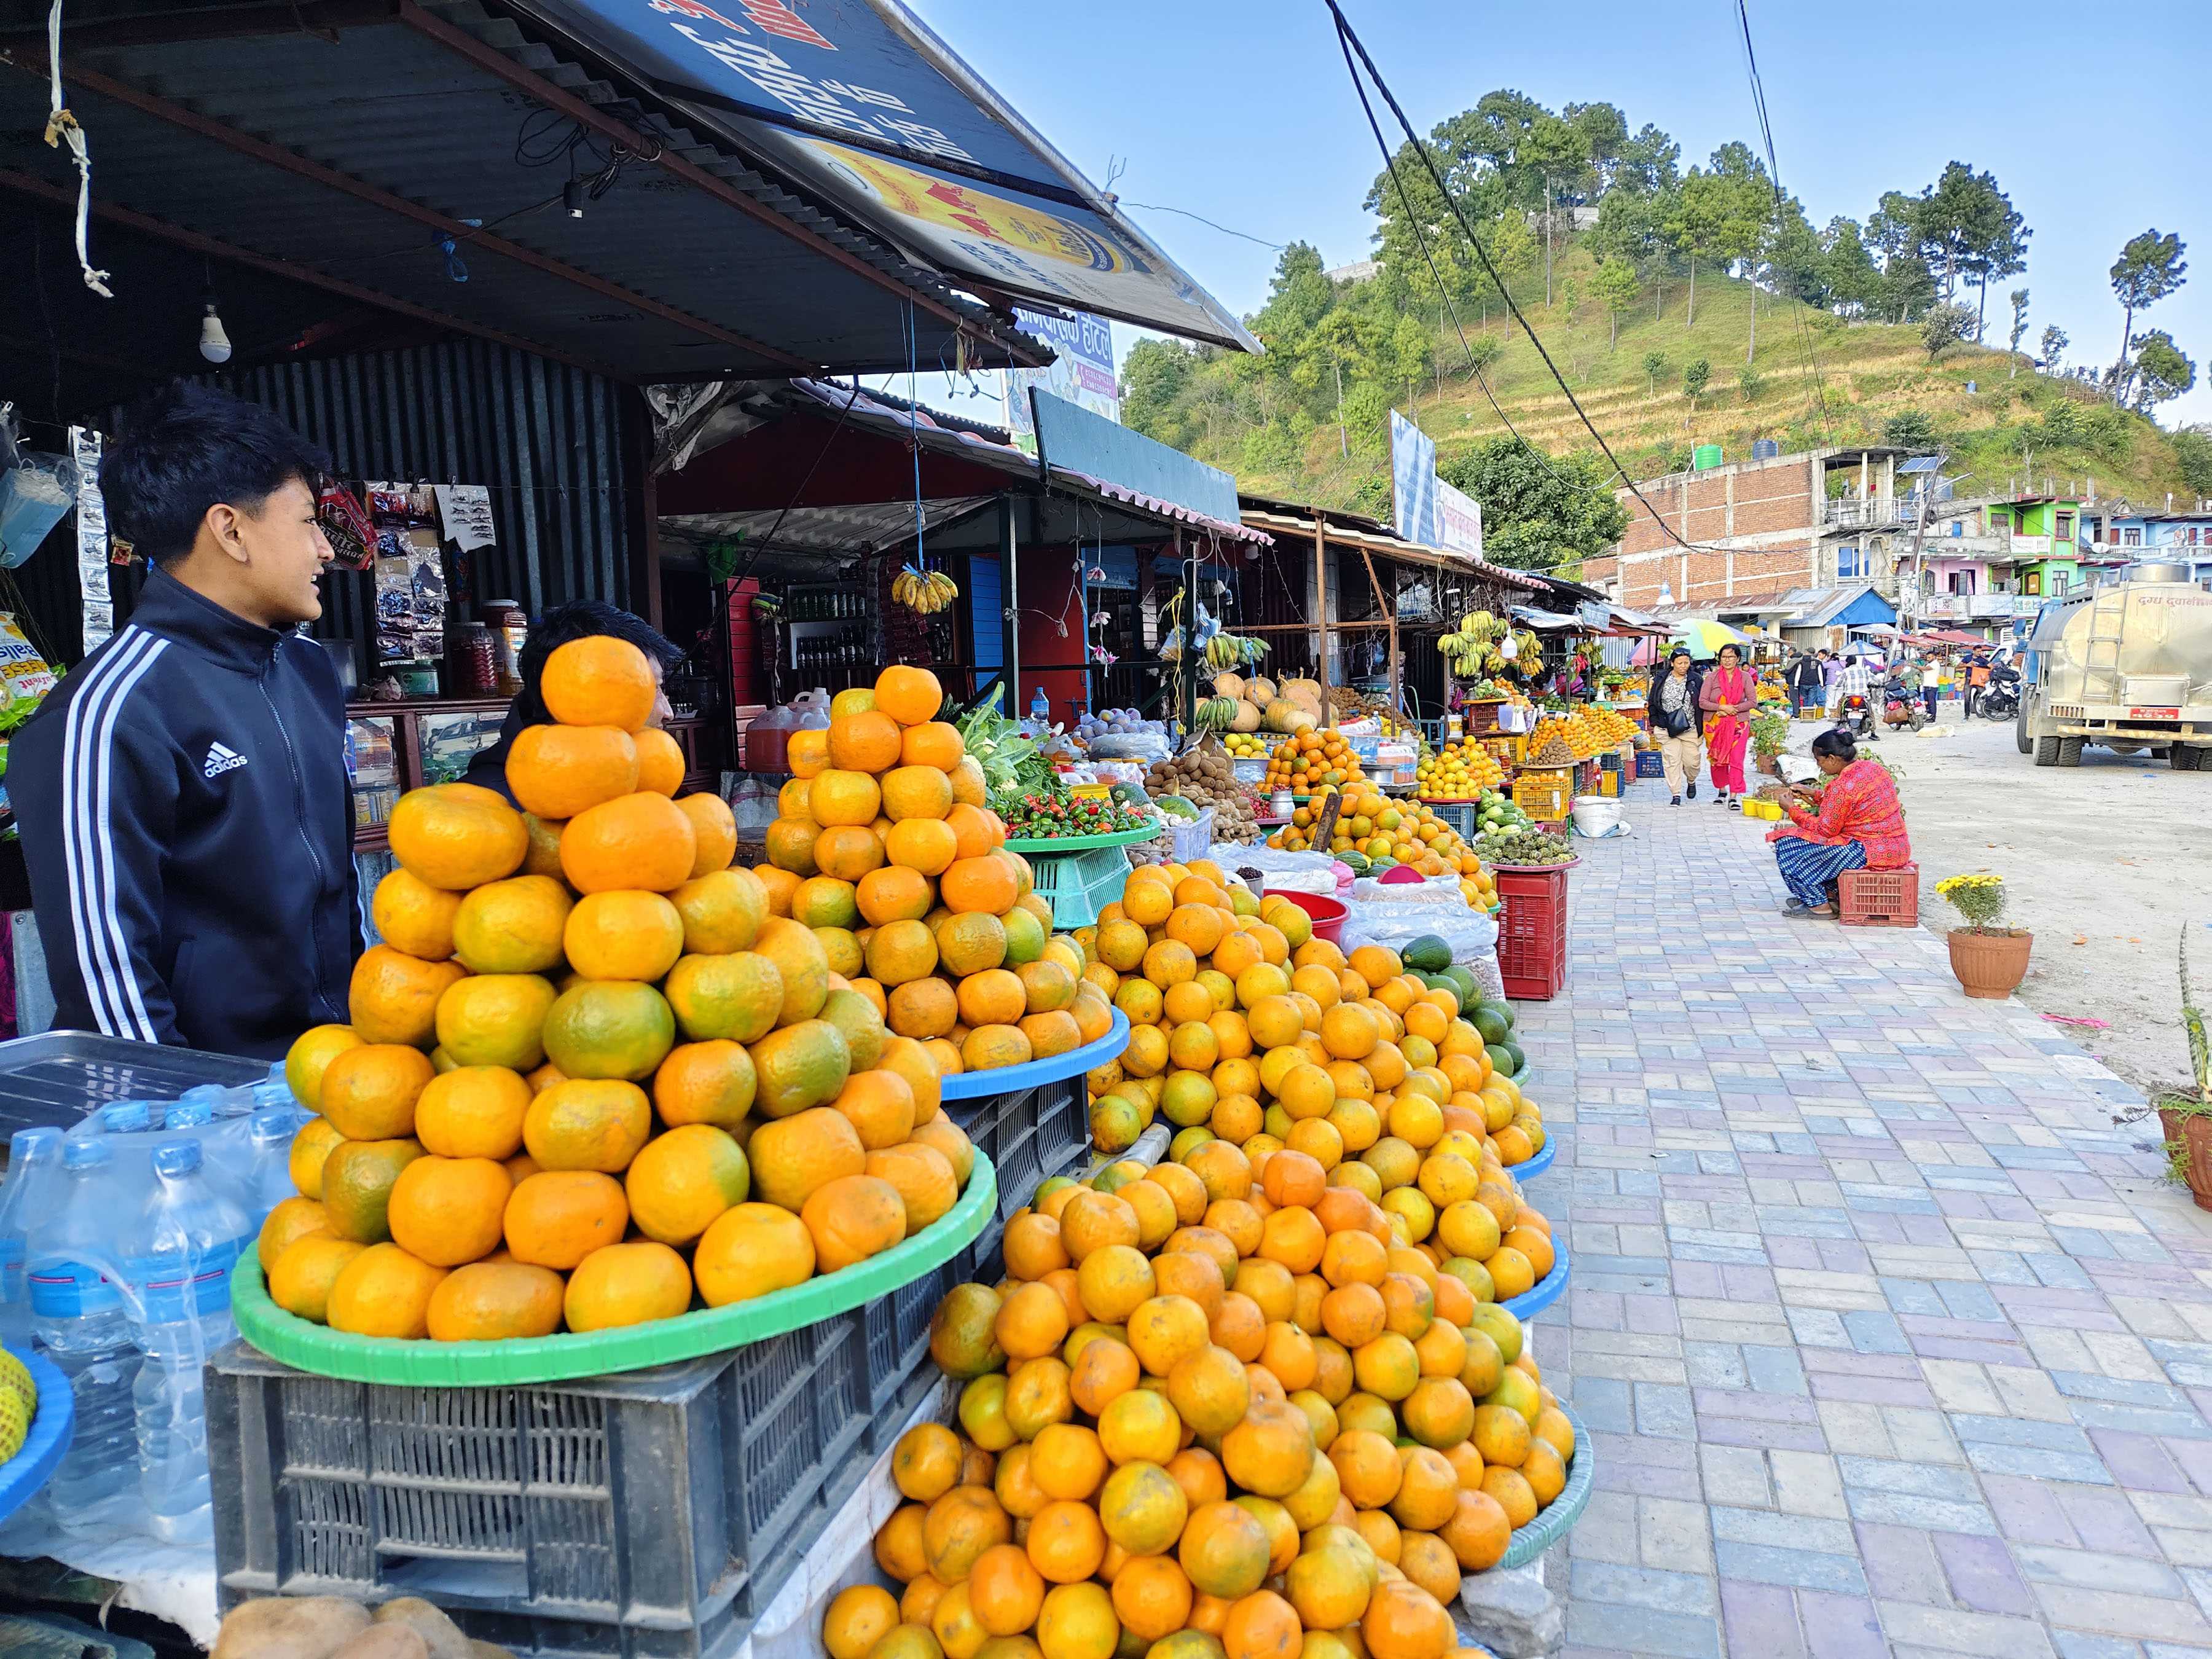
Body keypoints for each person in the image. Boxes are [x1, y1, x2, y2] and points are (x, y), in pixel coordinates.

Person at [12, 383, 355, 1057]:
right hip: (210, 1106)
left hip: (339, 1073)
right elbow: (104, 978)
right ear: (230, 530)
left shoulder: (309, 673)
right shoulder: (107, 712)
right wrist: (189, 1124)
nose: (326, 551)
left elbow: (339, 894)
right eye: (309, 521)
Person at [463, 600, 684, 804]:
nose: (668, 712)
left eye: (660, 687)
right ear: (579, 689)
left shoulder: (642, 782)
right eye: (649, 688)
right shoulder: (486, 809)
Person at [1766, 728, 1912, 917]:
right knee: (1814, 845)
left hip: (1868, 851)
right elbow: (1849, 804)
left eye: (1820, 761)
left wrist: (1792, 809)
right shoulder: (1871, 768)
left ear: (1833, 758)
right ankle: (1830, 896)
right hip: (1896, 847)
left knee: (1788, 844)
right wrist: (1814, 793)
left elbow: (1825, 830)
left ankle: (1819, 905)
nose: (1819, 767)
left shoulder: (1841, 787)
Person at [1698, 642, 1757, 809]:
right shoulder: (1712, 677)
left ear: (1738, 658)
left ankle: (1734, 795)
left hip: (1739, 724)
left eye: (1731, 657)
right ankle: (1722, 790)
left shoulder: (1745, 677)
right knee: (1718, 758)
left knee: (1737, 758)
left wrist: (1733, 710)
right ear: (1720, 659)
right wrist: (1720, 708)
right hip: (1714, 724)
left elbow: (1753, 702)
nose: (1728, 660)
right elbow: (1703, 702)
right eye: (1724, 657)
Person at [1650, 645, 1706, 806]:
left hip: (1690, 728)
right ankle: (1676, 794)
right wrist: (1654, 721)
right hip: (1666, 727)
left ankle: (1691, 780)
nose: (1683, 666)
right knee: (1671, 761)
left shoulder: (1696, 680)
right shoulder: (1661, 678)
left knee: (1692, 762)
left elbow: (1701, 703)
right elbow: (1653, 700)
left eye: (1686, 663)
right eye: (1680, 663)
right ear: (1673, 663)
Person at [1789, 649, 1827, 718]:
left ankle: (1805, 714)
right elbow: (1820, 673)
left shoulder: (1801, 662)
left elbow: (1798, 673)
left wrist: (1796, 684)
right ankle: (1809, 714)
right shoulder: (1817, 663)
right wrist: (1822, 684)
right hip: (1813, 684)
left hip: (1803, 684)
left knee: (1804, 698)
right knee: (1811, 699)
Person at [1966, 653, 1993, 718]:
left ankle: (1987, 710)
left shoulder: (1983, 660)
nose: (1979, 653)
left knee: (1982, 695)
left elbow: (1992, 666)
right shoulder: (1969, 659)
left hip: (1981, 680)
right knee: (1972, 695)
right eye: (1978, 652)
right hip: (1975, 680)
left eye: (1980, 652)